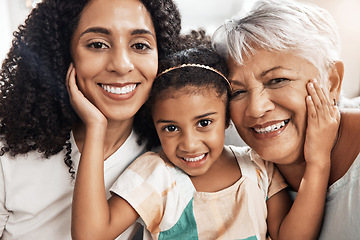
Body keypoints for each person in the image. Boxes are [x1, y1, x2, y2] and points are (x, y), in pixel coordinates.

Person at [69, 45, 339, 240]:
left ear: (227, 120)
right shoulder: (157, 174)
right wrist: (96, 127)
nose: (189, 143)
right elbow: (91, 234)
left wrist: (318, 162)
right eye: (171, 128)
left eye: (204, 123)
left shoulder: (258, 165)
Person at [0, 0, 181, 239]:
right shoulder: (9, 153)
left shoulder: (168, 155)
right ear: (64, 54)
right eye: (98, 44)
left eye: (139, 45)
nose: (121, 65)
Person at [212, 0, 360, 239]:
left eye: (277, 80)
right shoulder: (227, 154)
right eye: (237, 92)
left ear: (331, 81)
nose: (256, 109)